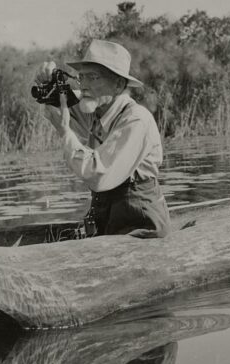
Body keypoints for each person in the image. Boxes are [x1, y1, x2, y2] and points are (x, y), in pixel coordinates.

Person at [35, 39, 171, 238]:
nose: (85, 86)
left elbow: (98, 177)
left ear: (118, 84)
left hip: (142, 225)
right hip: (109, 220)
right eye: (81, 77)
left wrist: (65, 132)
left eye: (93, 77)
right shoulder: (97, 108)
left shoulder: (135, 120)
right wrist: (47, 81)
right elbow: (61, 103)